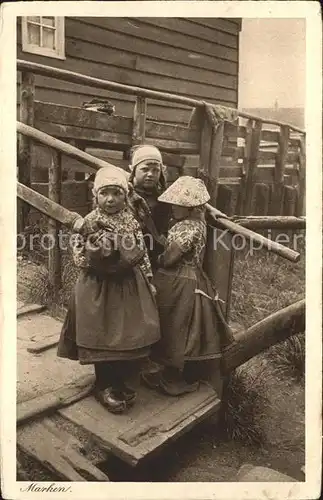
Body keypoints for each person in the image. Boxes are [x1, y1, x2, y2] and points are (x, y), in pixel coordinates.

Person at [57, 166, 160, 414]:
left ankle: (119, 381)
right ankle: (103, 385)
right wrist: (100, 253)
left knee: (124, 332)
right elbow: (79, 257)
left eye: (116, 193)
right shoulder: (89, 223)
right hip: (97, 287)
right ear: (96, 196)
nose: (111, 199)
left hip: (128, 285)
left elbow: (141, 251)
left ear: (125, 196)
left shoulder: (130, 220)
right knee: (101, 333)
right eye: (105, 194)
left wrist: (148, 277)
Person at [141, 176, 235, 396]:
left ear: (192, 208)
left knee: (173, 323)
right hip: (185, 275)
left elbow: (171, 257)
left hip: (179, 278)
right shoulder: (195, 223)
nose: (173, 208)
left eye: (178, 205)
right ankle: (163, 371)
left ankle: (171, 376)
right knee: (172, 323)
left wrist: (159, 259)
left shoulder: (188, 227)